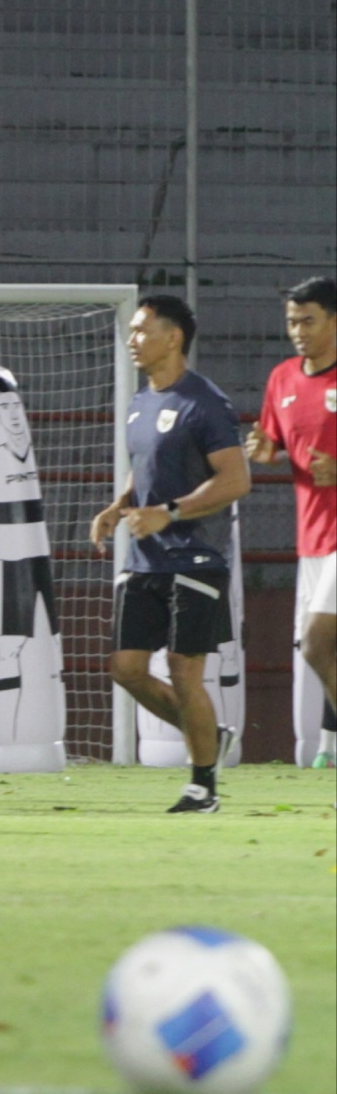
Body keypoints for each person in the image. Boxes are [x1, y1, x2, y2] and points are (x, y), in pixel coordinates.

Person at [92, 293, 251, 813]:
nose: (131, 339)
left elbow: (236, 478)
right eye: (132, 331)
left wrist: (171, 512)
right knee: (126, 668)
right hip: (146, 557)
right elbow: (147, 466)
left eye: (141, 330)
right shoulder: (142, 401)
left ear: (173, 337)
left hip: (197, 555)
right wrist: (119, 505)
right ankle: (209, 735)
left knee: (185, 671)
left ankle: (203, 785)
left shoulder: (204, 402)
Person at [247, 276, 336, 767]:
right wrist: (265, 451)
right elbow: (273, 441)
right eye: (291, 322)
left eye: (309, 320)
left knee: (318, 645)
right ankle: (326, 745)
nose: (298, 331)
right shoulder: (283, 378)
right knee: (323, 647)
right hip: (312, 538)